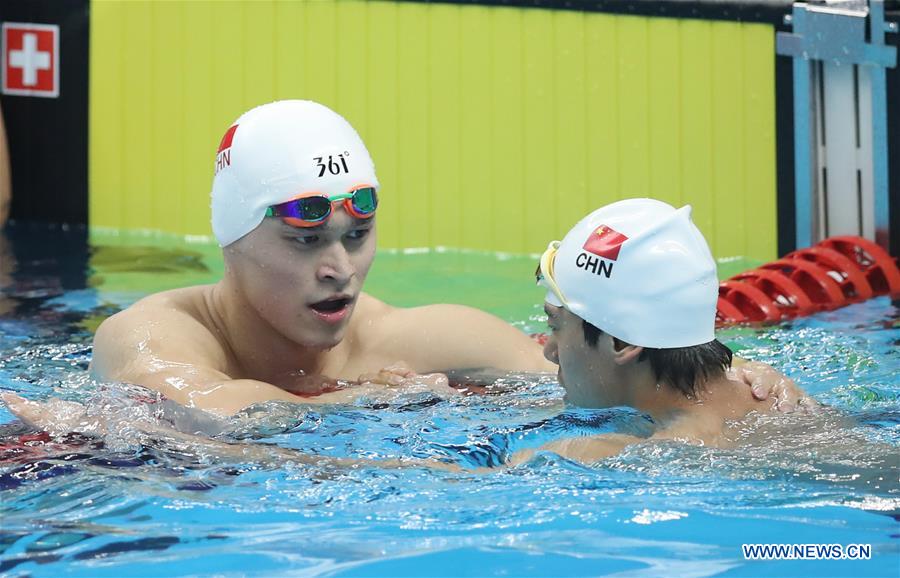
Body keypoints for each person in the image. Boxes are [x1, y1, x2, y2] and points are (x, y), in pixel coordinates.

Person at [7, 101, 794, 422]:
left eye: (356, 236)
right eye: (305, 240)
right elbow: (203, 412)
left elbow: (608, 377)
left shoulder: (429, 341)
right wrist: (360, 409)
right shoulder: (148, 335)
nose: (340, 267)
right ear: (232, 238)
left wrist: (726, 379)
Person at [507, 198, 814, 465]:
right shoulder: (781, 407)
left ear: (620, 342)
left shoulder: (599, 455)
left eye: (555, 326)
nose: (549, 350)